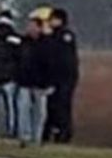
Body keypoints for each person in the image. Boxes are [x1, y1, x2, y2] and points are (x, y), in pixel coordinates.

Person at [15, 18, 54, 146]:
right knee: (23, 110)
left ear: (39, 28)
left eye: (33, 26)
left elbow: (51, 64)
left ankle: (37, 138)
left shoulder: (47, 43)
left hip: (41, 83)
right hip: (24, 82)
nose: (30, 28)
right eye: (29, 26)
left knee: (40, 113)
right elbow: (17, 60)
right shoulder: (23, 42)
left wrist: (50, 83)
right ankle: (24, 136)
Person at [45, 8, 79, 143]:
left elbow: (63, 59)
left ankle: (64, 134)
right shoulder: (53, 35)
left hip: (65, 78)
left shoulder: (65, 36)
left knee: (63, 106)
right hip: (56, 78)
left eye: (52, 19)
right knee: (52, 107)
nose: (50, 22)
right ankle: (52, 132)